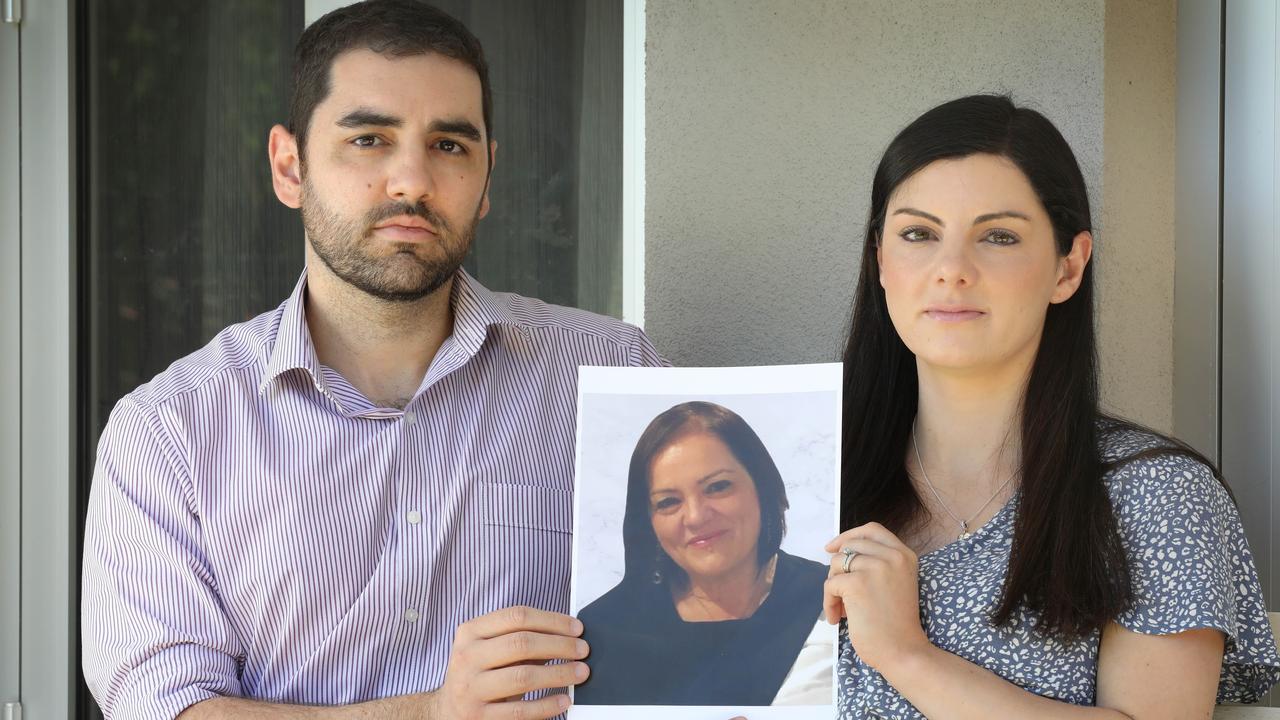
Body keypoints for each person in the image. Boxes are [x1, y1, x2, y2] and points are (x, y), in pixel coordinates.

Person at [79, 2, 665, 718]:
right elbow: (163, 709)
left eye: (450, 146)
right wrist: (430, 713)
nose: (411, 181)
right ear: (289, 167)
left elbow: (700, 637)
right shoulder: (168, 433)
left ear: (487, 178)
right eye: (369, 139)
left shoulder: (614, 375)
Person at [823, 94, 1280, 719]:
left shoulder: (1153, 495)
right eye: (918, 234)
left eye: (999, 236)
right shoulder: (802, 478)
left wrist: (907, 655)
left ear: (1069, 267)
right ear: (880, 260)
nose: (951, 269)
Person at [575, 401, 831, 706]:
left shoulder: (829, 600)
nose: (696, 516)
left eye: (718, 486)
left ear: (762, 487)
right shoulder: (605, 628)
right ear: (648, 521)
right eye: (668, 502)